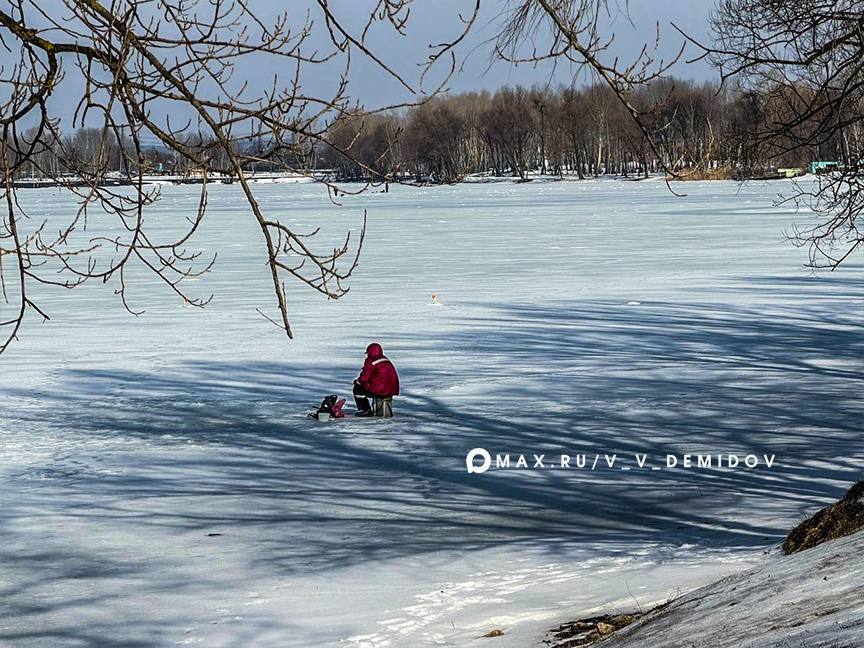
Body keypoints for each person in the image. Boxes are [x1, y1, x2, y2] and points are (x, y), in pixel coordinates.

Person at [353, 342, 400, 416]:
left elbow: (365, 377)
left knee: (357, 389)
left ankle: (364, 410)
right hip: (391, 389)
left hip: (380, 390)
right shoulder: (385, 359)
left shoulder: (371, 361)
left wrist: (358, 382)